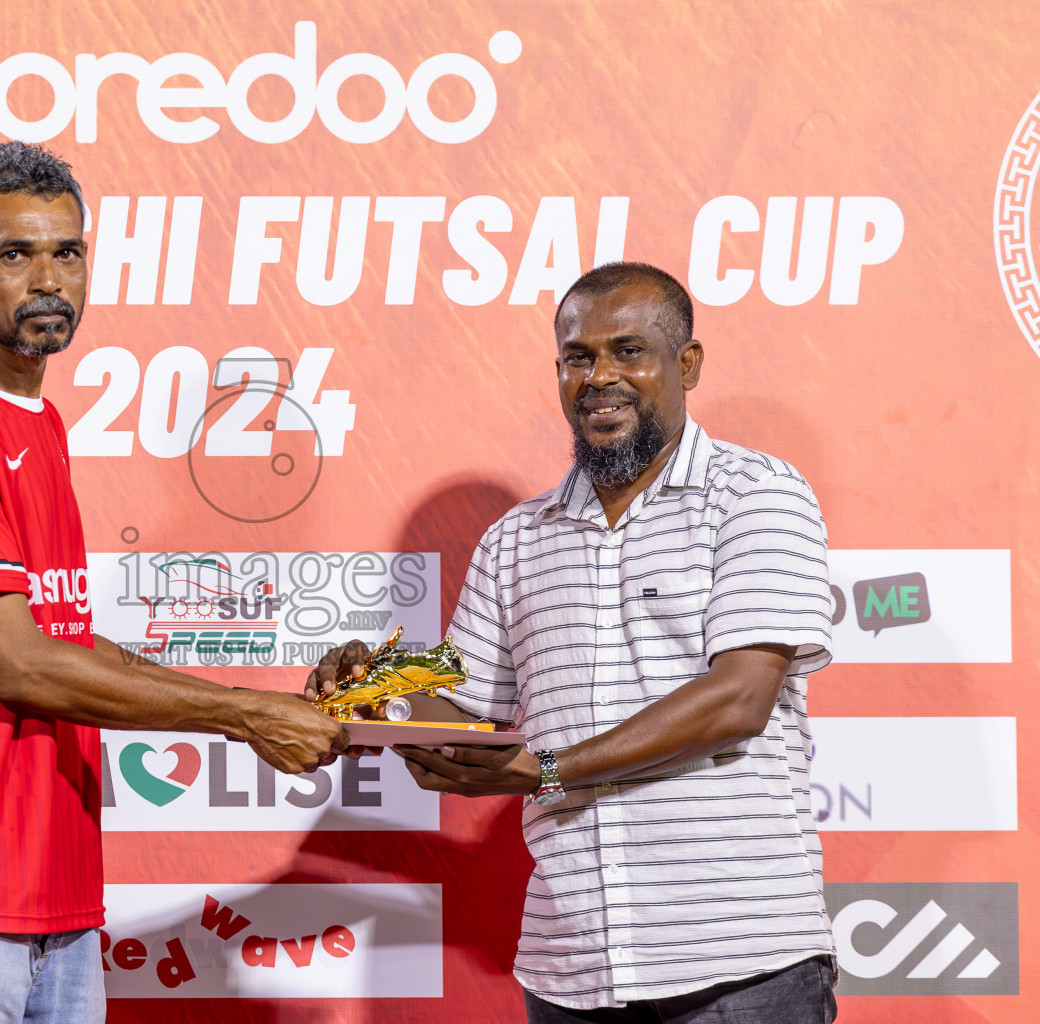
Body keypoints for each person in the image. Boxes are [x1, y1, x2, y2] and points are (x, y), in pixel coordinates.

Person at [0, 141, 346, 1024]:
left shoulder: (38, 420)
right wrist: (246, 716)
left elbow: (65, 643)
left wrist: (254, 705)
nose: (48, 279)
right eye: (15, 253)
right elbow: (23, 667)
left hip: (54, 896)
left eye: (66, 253)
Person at [309, 262, 837, 1022]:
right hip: (574, 965)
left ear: (686, 365)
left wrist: (548, 769)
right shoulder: (514, 541)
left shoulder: (756, 494)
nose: (599, 377)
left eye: (629, 352)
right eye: (577, 358)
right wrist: (375, 695)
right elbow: (459, 712)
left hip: (740, 965)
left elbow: (739, 701)